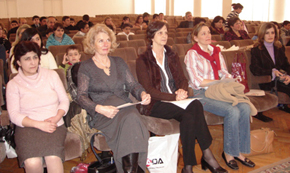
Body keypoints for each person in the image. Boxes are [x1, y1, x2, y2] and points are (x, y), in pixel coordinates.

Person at [136, 21, 227, 173]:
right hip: (155, 103)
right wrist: (174, 97)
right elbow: (149, 90)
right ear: (151, 36)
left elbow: (183, 80)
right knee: (190, 113)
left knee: (195, 107)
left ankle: (189, 166)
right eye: (160, 33)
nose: (164, 36)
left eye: (165, 32)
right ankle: (206, 156)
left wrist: (182, 91)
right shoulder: (143, 60)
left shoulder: (171, 55)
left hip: (176, 100)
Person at [76, 24, 151, 172]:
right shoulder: (85, 67)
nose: (106, 44)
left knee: (131, 117)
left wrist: (142, 93)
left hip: (124, 106)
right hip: (102, 112)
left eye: (108, 40)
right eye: (100, 41)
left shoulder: (119, 62)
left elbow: (132, 85)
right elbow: (81, 96)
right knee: (133, 120)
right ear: (92, 44)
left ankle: (130, 170)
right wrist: (99, 108)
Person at [185, 23, 255, 171]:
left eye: (209, 32)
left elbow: (224, 71)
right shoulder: (192, 54)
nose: (208, 36)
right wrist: (218, 82)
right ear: (195, 37)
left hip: (219, 90)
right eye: (203, 33)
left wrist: (229, 79)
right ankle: (229, 154)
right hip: (201, 94)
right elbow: (197, 80)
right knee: (232, 111)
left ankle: (239, 152)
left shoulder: (216, 51)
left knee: (244, 107)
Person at [6, 41, 69, 173]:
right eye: (27, 59)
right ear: (18, 62)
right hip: (28, 128)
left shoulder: (51, 75)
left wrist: (57, 117)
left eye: (35, 57)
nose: (33, 62)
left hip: (54, 125)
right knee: (32, 162)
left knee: (53, 157)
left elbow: (64, 100)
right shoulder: (13, 84)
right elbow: (14, 115)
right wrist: (38, 124)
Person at [250, 22, 290, 115]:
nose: (270, 35)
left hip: (281, 78)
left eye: (272, 32)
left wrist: (288, 75)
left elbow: (286, 65)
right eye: (267, 33)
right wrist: (272, 72)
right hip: (267, 81)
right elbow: (255, 69)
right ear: (262, 34)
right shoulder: (256, 50)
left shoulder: (279, 47)